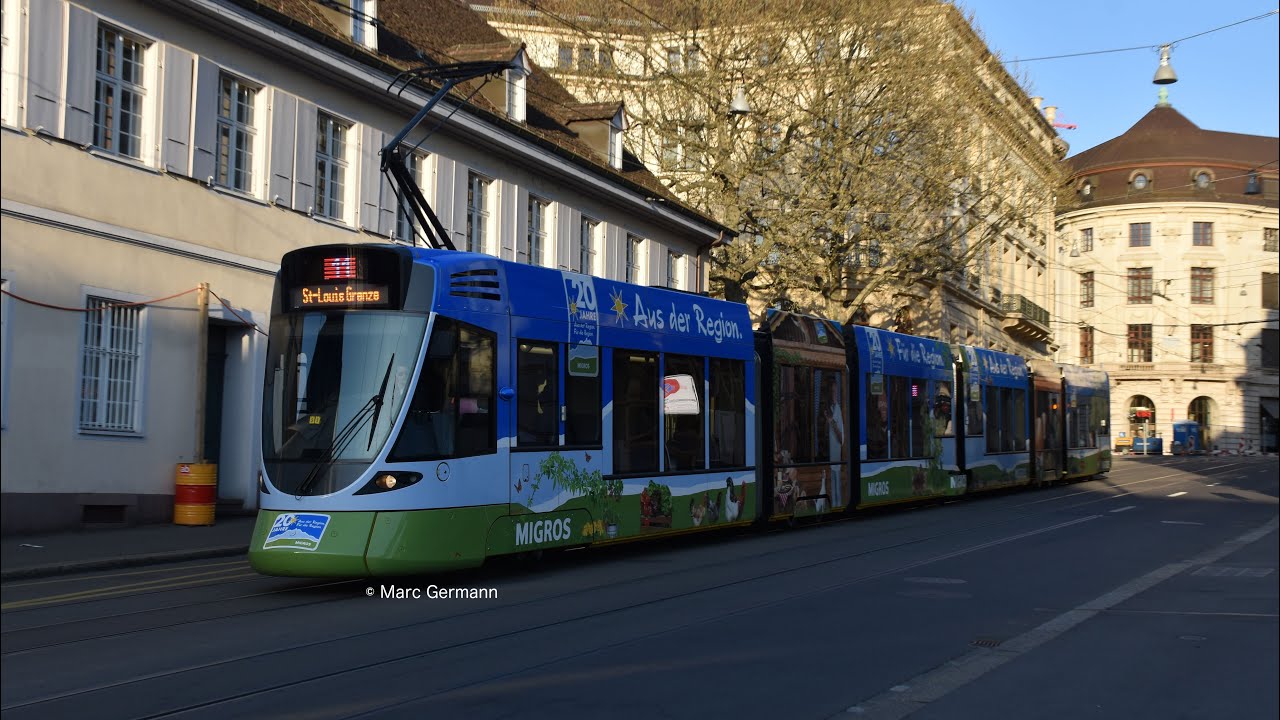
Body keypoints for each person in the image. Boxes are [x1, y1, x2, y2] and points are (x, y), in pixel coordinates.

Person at [825, 379, 845, 506]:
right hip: (829, 456)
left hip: (836, 455)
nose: (834, 394)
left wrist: (831, 421)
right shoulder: (828, 408)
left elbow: (841, 438)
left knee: (836, 488)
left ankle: (837, 507)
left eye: (836, 391)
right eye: (832, 391)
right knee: (832, 487)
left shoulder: (837, 409)